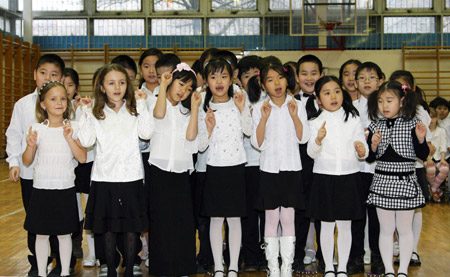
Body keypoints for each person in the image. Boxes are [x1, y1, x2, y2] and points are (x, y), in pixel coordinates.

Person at [78, 63, 153, 277]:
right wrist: (84, 111)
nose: (117, 87)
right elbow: (86, 140)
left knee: (131, 228)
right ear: (102, 87)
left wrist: (142, 104)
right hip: (104, 178)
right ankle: (110, 270)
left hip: (131, 176)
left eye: (121, 82)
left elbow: (147, 133)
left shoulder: (135, 109)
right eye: (111, 83)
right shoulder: (95, 112)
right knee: (108, 229)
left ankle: (129, 270)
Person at [5, 54, 66, 276]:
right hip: (31, 175)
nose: (47, 77)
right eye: (43, 73)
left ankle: (62, 262)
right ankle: (37, 261)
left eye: (54, 74)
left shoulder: (64, 104)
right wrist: (14, 162)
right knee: (34, 219)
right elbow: (13, 135)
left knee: (60, 220)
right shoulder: (22, 105)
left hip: (58, 175)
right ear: (34, 75)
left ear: (61, 77)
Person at [250, 62, 310, 277]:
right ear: (263, 84)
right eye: (270, 79)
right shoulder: (259, 108)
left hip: (291, 169)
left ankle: (287, 267)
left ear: (287, 80)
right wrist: (264, 119)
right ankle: (272, 267)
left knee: (288, 219)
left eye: (280, 78)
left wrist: (294, 115)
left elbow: (304, 138)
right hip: (269, 170)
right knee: (271, 219)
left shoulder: (298, 105)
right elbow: (257, 143)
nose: (277, 83)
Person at [22, 81, 87, 277]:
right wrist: (31, 145)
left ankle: (65, 272)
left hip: (65, 187)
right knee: (41, 234)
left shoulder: (72, 127)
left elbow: (82, 157)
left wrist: (69, 138)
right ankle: (42, 273)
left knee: (64, 234)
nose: (59, 102)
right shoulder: (36, 128)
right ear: (43, 104)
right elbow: (26, 160)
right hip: (42, 188)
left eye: (62, 98)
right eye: (53, 99)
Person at [366, 81, 429, 277]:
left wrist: (420, 139)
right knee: (385, 230)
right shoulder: (375, 125)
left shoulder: (412, 124)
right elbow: (369, 158)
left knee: (404, 229)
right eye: (380, 101)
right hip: (382, 181)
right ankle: (388, 270)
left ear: (402, 101)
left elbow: (423, 154)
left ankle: (402, 270)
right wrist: (373, 145)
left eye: (389, 100)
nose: (384, 105)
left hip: (405, 181)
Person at [307, 76, 368, 277]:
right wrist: (318, 139)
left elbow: (363, 147)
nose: (333, 96)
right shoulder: (315, 121)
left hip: (349, 177)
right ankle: (329, 268)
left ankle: (342, 267)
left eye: (336, 91)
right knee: (326, 225)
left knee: (345, 225)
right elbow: (311, 153)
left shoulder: (353, 118)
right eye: (327, 92)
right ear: (318, 99)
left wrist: (362, 150)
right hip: (324, 178)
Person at [198, 58, 252, 277]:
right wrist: (209, 129)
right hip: (214, 167)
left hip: (236, 167)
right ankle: (218, 266)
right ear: (207, 81)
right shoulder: (203, 106)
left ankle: (232, 266)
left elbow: (249, 131)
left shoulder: (240, 101)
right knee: (216, 219)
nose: (218, 81)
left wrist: (242, 110)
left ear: (232, 79)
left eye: (223, 76)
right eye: (213, 77)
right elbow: (200, 146)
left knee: (235, 218)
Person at [147, 63, 200, 275]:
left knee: (183, 222)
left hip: (181, 172)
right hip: (159, 169)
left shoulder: (186, 111)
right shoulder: (153, 101)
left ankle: (184, 266)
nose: (183, 91)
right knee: (160, 222)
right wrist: (163, 85)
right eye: (180, 84)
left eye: (188, 89)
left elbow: (190, 137)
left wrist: (195, 108)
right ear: (170, 81)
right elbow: (159, 115)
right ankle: (161, 267)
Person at [389, 70, 433, 267]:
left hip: (414, 168)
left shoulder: (419, 111)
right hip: (393, 170)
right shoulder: (387, 107)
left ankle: (413, 249)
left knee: (414, 210)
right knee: (395, 210)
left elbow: (427, 143)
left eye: (403, 87)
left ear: (412, 89)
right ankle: (398, 245)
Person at [348, 62, 384, 275]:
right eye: (362, 78)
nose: (367, 81)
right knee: (357, 216)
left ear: (380, 81)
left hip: (380, 170)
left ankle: (378, 258)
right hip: (358, 169)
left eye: (372, 77)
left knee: (378, 217)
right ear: (356, 83)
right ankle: (356, 257)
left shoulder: (386, 105)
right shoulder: (350, 108)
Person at [293, 54, 324, 272]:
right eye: (304, 73)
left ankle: (324, 256)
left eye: (314, 73)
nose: (309, 77)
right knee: (300, 213)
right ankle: (296, 256)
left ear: (321, 75)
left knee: (323, 213)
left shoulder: (331, 100)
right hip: (299, 163)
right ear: (296, 76)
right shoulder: (290, 102)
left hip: (324, 164)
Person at [237, 55, 267, 272]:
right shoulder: (236, 99)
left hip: (266, 164)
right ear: (238, 80)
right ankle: (250, 256)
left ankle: (267, 254)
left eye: (256, 75)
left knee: (267, 214)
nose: (251, 80)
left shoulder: (269, 98)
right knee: (247, 214)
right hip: (245, 164)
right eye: (246, 76)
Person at [425, 108, 449, 202]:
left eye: (433, 117)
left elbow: (443, 146)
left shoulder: (441, 130)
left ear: (437, 118)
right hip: (427, 159)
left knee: (445, 168)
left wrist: (443, 159)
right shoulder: (424, 131)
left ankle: (433, 189)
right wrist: (428, 158)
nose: (431, 120)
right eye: (429, 117)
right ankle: (437, 190)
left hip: (439, 158)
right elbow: (424, 147)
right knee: (430, 169)